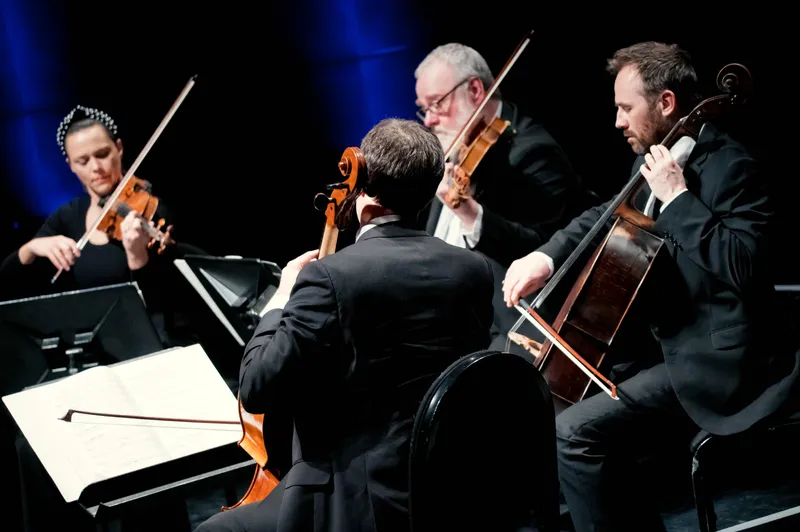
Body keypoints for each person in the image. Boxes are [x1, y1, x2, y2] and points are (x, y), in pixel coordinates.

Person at [502, 41, 800, 531]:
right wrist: (545, 255)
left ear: (666, 103)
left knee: (574, 432)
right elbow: (608, 212)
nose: (617, 121)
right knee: (543, 403)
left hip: (721, 364)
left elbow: (746, 267)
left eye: (626, 107)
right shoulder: (656, 156)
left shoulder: (731, 167)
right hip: (664, 348)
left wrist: (679, 198)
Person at [194, 118, 497, 532]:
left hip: (352, 497)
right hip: (446, 487)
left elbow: (256, 386)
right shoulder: (474, 270)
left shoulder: (330, 278)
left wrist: (281, 300)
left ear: (364, 191)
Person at [0, 105, 194, 532]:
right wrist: (32, 249)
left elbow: (173, 302)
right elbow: (7, 280)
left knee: (145, 490)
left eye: (103, 154)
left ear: (121, 149)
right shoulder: (67, 219)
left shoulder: (148, 210)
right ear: (69, 165)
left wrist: (138, 259)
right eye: (82, 161)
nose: (96, 168)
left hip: (142, 368)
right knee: (31, 450)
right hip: (85, 373)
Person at [413, 42, 595, 351]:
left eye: (437, 104)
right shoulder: (450, 154)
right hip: (438, 314)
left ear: (474, 90)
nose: (428, 120)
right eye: (423, 108)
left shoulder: (532, 153)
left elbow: (542, 249)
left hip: (501, 328)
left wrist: (469, 212)